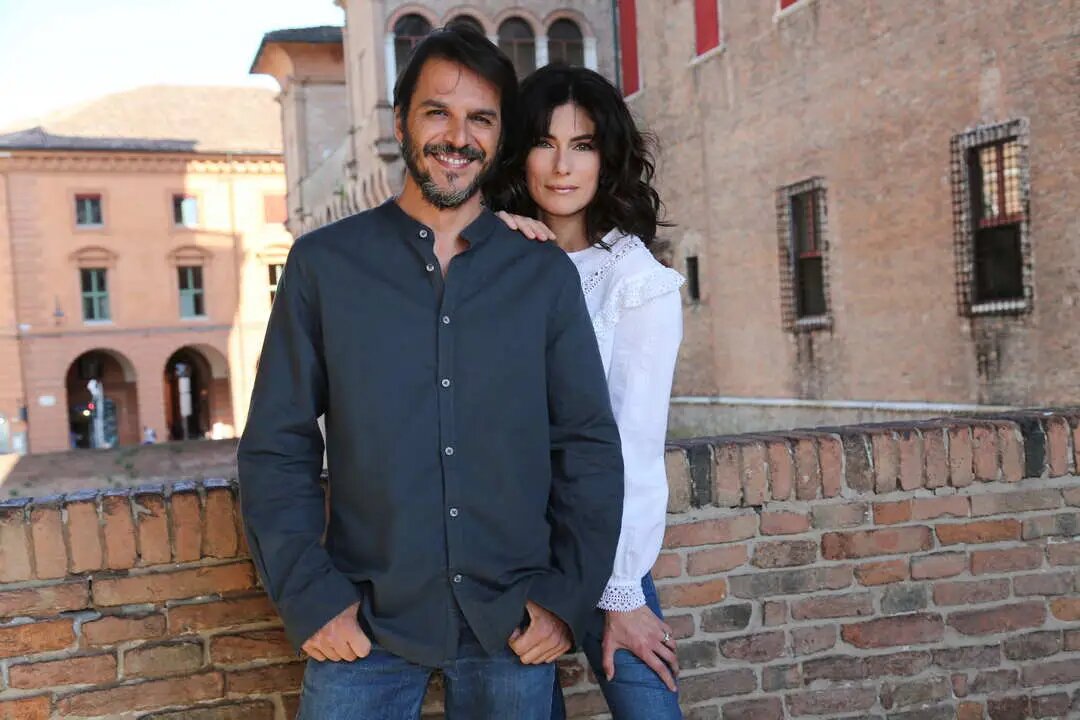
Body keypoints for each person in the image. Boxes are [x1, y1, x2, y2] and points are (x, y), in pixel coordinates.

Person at [236, 26, 624, 720]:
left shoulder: (541, 275)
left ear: (499, 138)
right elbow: (276, 445)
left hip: (513, 626)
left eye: (481, 119)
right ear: (400, 122)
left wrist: (564, 600)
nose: (458, 137)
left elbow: (587, 445)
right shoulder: (324, 266)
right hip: (364, 625)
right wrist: (311, 598)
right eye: (437, 112)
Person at [493, 64, 685, 720]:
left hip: (598, 544)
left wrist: (623, 588)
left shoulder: (636, 282)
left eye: (582, 145)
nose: (561, 166)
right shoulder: (493, 256)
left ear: (608, 158)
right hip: (503, 548)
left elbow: (635, 444)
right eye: (544, 143)